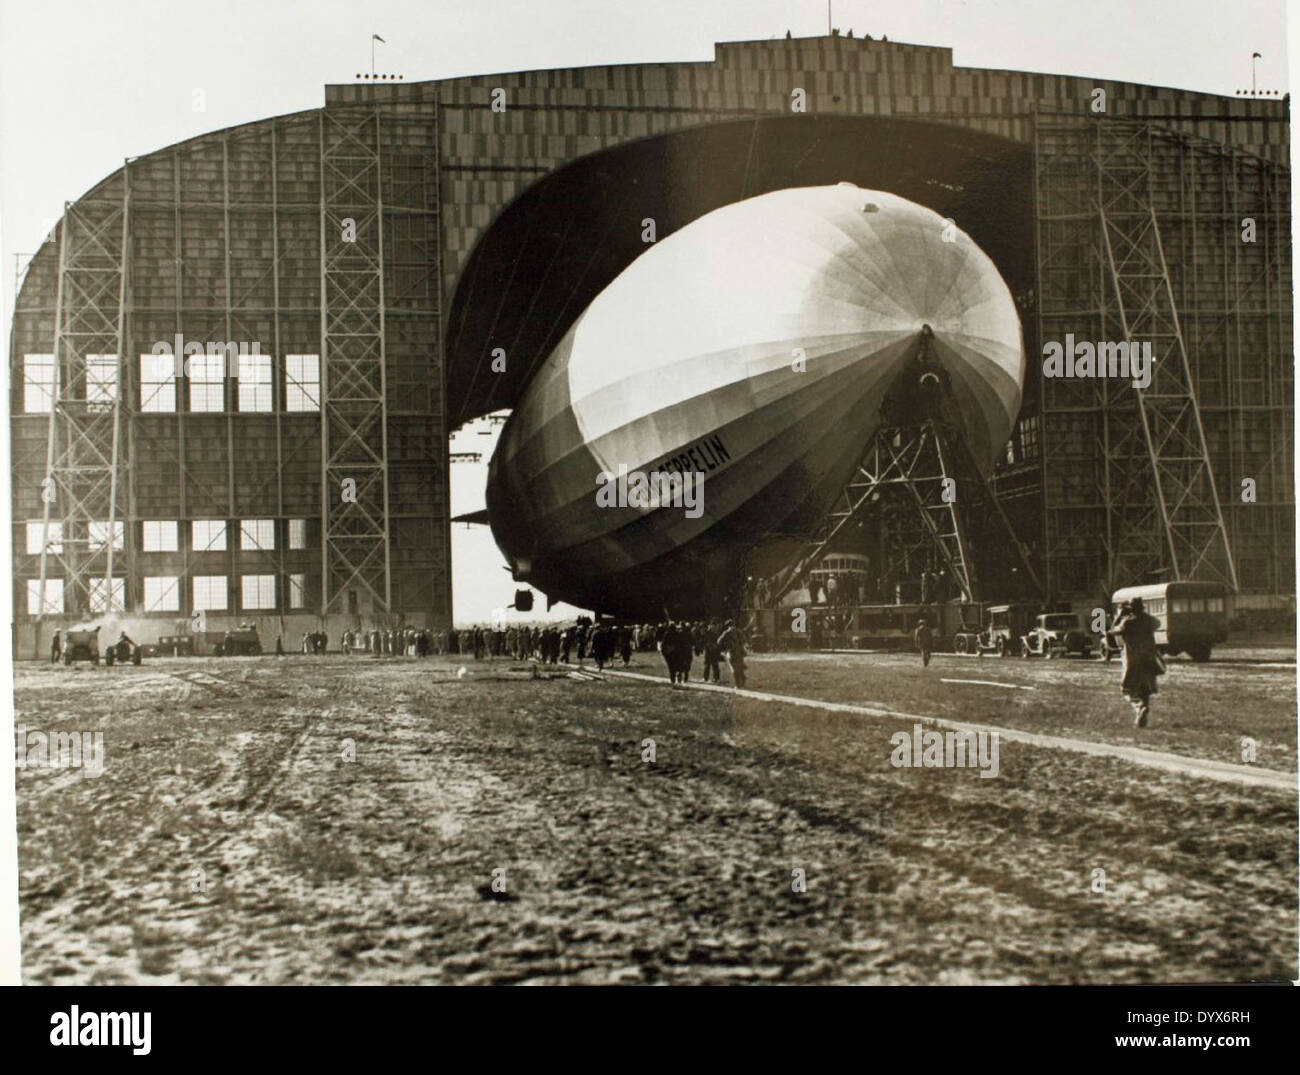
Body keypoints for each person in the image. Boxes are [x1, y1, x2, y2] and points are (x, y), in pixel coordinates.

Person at [1112, 597, 1164, 727]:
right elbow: (1157, 623)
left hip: (1132, 660)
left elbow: (1113, 631)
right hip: (1149, 658)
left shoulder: (1128, 623)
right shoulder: (1149, 621)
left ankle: (1138, 707)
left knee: (1126, 689)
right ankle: (1141, 717)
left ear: (1131, 608)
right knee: (1145, 690)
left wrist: (1120, 616)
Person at [717, 619, 746, 689]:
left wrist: (726, 646)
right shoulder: (738, 631)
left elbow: (719, 641)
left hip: (731, 652)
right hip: (739, 652)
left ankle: (738, 684)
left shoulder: (726, 633)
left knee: (734, 668)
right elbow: (744, 640)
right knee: (739, 667)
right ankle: (741, 679)